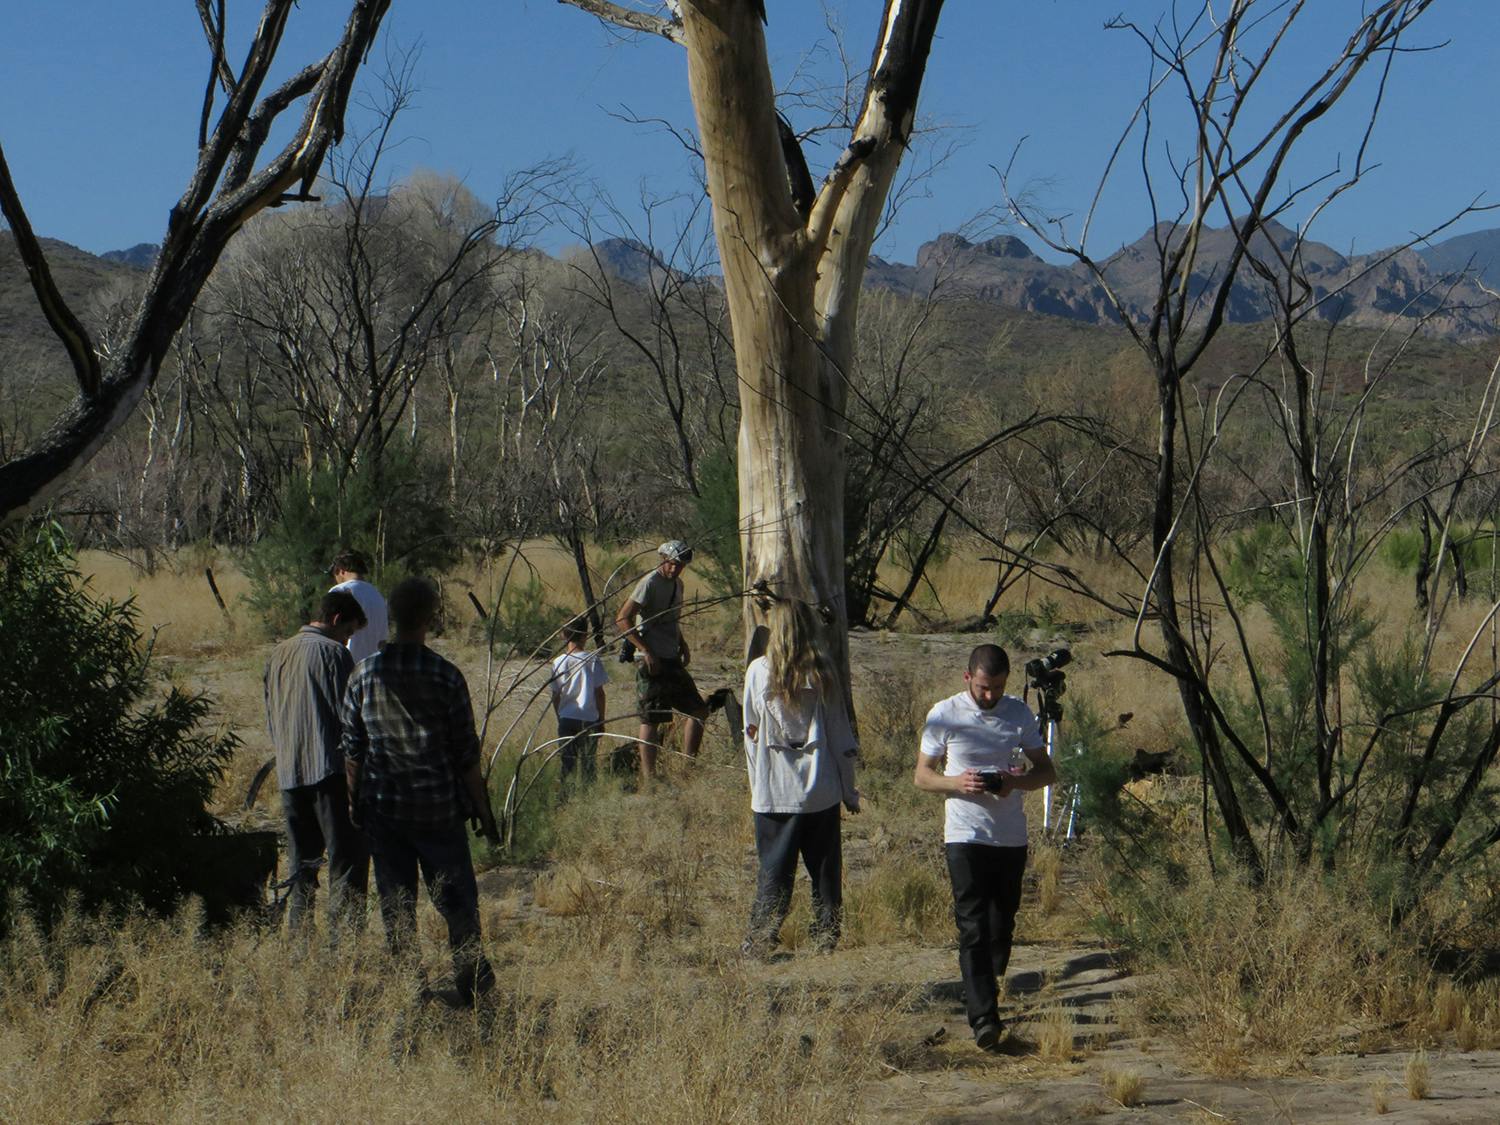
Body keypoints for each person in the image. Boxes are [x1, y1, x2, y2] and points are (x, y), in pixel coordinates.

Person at [341, 576, 497, 1004]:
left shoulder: (363, 676)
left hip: (385, 813)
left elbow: (353, 751)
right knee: (458, 903)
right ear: (430, 618)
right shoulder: (446, 676)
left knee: (397, 905)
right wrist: (482, 809)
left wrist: (355, 804)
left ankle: (411, 987)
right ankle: (471, 985)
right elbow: (466, 754)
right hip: (438, 812)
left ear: (390, 616)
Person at [914, 644, 1057, 1051]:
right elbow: (922, 776)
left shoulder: (1019, 714)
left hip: (1009, 835)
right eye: (982, 687)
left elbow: (1046, 771)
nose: (989, 695)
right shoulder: (945, 713)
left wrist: (1015, 783)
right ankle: (984, 1019)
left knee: (1001, 923)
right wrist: (957, 783)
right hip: (964, 834)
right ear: (967, 678)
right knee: (972, 925)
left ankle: (988, 983)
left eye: (996, 687)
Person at [741, 599, 860, 957]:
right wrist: (848, 790)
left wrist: (756, 786)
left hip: (773, 792)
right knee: (825, 872)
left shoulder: (758, 672)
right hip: (820, 791)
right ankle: (826, 938)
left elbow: (750, 733)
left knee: (774, 870)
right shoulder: (823, 674)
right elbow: (841, 735)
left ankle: (761, 938)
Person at [264, 589, 370, 935]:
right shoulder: (335, 654)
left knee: (300, 867)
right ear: (337, 621)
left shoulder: (276, 654)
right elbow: (350, 722)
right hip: (331, 775)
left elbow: (270, 718)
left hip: (289, 774)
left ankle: (299, 944)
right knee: (346, 864)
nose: (348, 640)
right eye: (349, 632)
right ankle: (344, 948)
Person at [615, 539, 709, 778]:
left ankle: (689, 767)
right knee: (651, 718)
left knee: (698, 711)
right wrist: (646, 651)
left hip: (671, 655)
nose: (676, 569)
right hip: (650, 660)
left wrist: (683, 643)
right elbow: (622, 619)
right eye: (673, 564)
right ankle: (649, 779)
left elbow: (672, 619)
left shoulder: (678, 584)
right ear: (664, 559)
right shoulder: (649, 582)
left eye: (680, 565)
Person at [549, 617, 608, 787]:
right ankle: (588, 794)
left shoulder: (558, 662)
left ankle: (565, 795)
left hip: (566, 717)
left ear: (562, 635)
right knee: (588, 761)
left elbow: (555, 695)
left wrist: (560, 716)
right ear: (586, 635)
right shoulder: (592, 659)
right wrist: (601, 718)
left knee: (567, 762)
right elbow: (599, 693)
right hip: (589, 719)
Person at [329, 549, 388, 664]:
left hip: (346, 665)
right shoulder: (377, 595)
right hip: (372, 666)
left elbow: (329, 632)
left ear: (340, 570)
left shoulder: (339, 591)